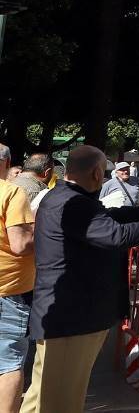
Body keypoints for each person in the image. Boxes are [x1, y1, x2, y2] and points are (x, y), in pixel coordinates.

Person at [22, 145, 139, 413]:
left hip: (63, 316)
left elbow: (106, 218)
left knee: (42, 394)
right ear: (97, 173)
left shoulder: (64, 196)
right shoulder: (75, 203)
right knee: (61, 400)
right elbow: (116, 236)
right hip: (72, 319)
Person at [0, 143, 33, 413]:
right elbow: (20, 244)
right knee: (8, 363)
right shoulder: (11, 192)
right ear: (7, 163)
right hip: (7, 290)